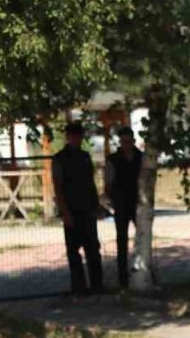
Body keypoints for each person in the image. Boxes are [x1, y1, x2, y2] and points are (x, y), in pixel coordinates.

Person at [52, 121, 105, 295]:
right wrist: (64, 212)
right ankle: (79, 287)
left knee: (93, 249)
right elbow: (57, 187)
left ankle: (97, 285)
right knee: (73, 251)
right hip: (71, 209)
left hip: (87, 208)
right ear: (68, 137)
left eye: (79, 136)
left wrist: (96, 205)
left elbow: (91, 183)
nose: (77, 139)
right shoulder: (59, 159)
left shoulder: (85, 157)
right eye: (73, 136)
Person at [104, 127, 142, 286]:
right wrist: (111, 200)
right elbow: (108, 182)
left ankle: (143, 270)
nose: (126, 144)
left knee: (142, 236)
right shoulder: (113, 159)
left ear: (133, 141)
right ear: (120, 142)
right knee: (121, 239)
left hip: (138, 203)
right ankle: (122, 276)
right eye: (124, 141)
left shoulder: (141, 158)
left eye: (129, 141)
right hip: (120, 203)